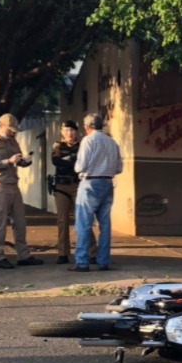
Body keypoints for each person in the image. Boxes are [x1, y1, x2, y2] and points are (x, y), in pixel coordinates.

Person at [0, 113, 42, 270]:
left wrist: (24, 161)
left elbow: (17, 161)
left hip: (14, 185)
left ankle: (23, 255)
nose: (12, 132)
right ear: (1, 125)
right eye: (10, 129)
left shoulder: (12, 141)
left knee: (20, 222)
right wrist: (8, 161)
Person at [73, 112, 120, 272]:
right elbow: (119, 167)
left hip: (90, 183)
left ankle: (82, 262)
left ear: (87, 127)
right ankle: (103, 261)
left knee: (83, 223)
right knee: (105, 224)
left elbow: (81, 166)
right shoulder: (112, 142)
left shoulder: (88, 140)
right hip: (107, 182)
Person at [49, 121, 80, 264]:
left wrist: (67, 161)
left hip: (78, 186)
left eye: (72, 130)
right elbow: (56, 161)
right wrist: (73, 162)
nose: (69, 133)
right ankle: (63, 253)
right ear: (62, 132)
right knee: (62, 220)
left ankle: (91, 252)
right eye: (66, 130)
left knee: (82, 219)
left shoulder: (82, 146)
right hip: (62, 186)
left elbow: (83, 163)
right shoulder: (57, 146)